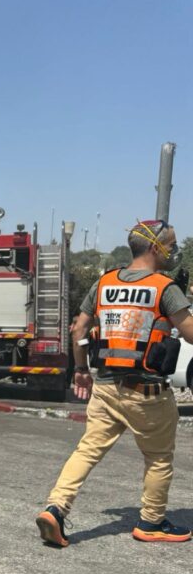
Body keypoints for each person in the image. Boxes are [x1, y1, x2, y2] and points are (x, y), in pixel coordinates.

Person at [38, 219, 193, 547]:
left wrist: (80, 369)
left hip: (106, 388)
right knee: (158, 458)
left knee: (87, 450)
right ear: (155, 248)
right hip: (148, 394)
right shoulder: (164, 287)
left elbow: (79, 331)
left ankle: (56, 508)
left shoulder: (104, 283)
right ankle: (151, 522)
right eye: (171, 245)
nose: (174, 251)